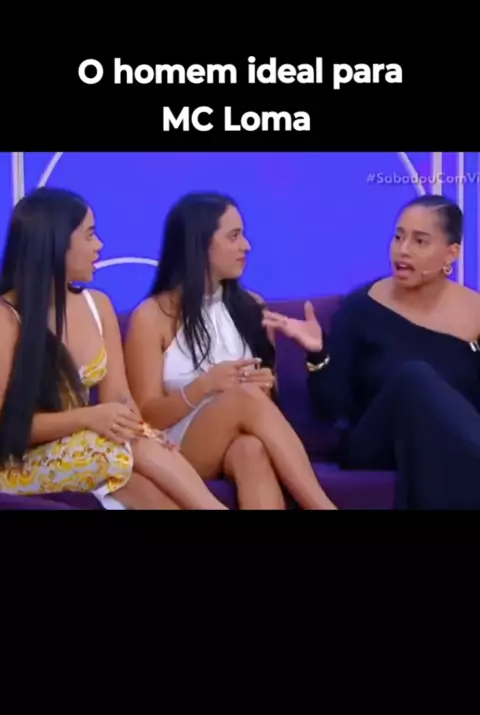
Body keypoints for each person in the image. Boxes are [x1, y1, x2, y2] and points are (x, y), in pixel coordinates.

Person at [0, 187, 228, 510]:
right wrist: (89, 418)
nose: (99, 245)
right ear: (56, 243)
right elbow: (6, 427)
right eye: (89, 235)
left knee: (140, 475)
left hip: (84, 449)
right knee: (114, 445)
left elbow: (119, 399)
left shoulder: (98, 305)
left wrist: (144, 431)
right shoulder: (6, 318)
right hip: (15, 462)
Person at [262, 193, 480, 510]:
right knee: (414, 378)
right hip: (374, 443)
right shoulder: (362, 307)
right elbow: (329, 408)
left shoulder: (476, 313)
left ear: (452, 252)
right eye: (398, 237)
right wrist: (318, 353)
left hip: (452, 443)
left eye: (420, 241)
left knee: (441, 433)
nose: (403, 250)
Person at [124, 192, 336, 509]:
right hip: (173, 450)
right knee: (243, 399)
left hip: (235, 437)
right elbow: (146, 418)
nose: (246, 246)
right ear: (199, 244)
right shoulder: (152, 316)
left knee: (251, 450)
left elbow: (265, 409)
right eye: (234, 236)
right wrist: (205, 386)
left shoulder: (253, 306)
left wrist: (265, 386)